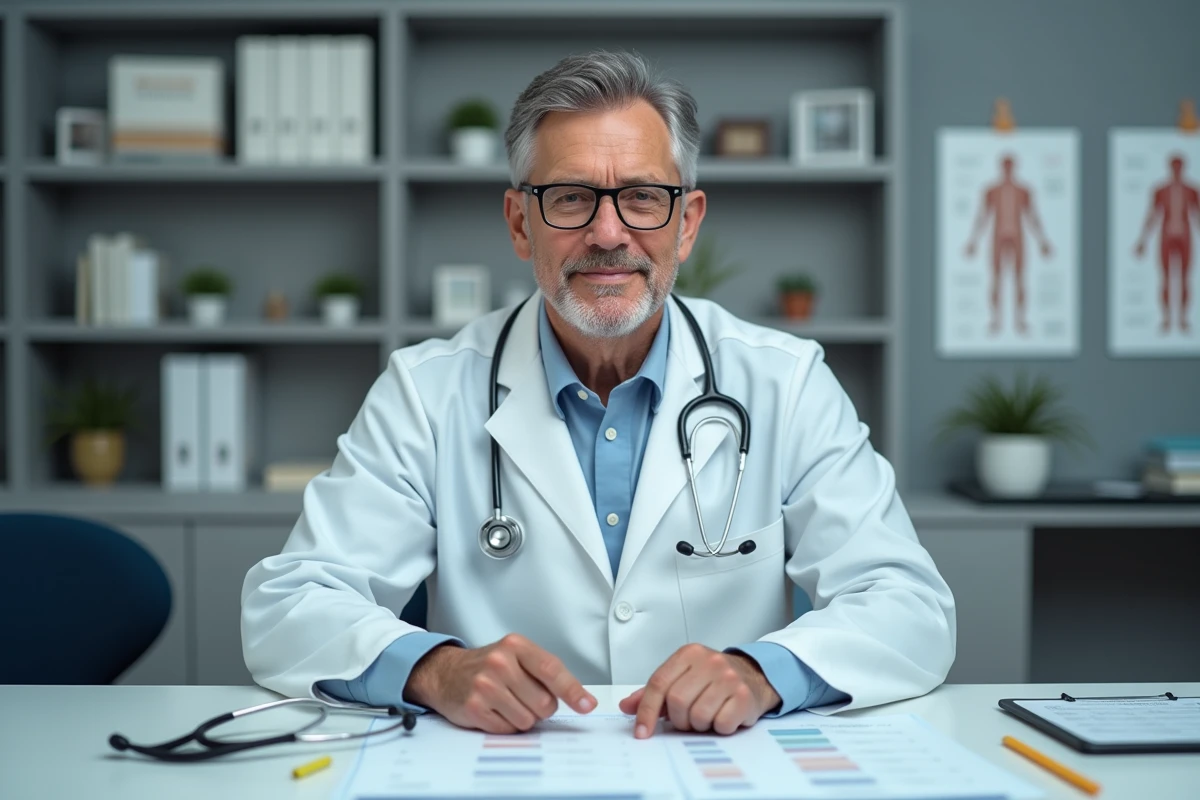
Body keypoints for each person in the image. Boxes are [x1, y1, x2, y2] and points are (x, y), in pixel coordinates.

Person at [241, 50, 955, 739]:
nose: (608, 233)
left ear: (688, 221)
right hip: (503, 770)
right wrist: (435, 668)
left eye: (643, 197)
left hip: (719, 770)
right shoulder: (425, 392)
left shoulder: (786, 383)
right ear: (522, 223)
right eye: (571, 198)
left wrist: (766, 673)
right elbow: (289, 605)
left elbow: (910, 607)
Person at [963, 153, 1054, 335]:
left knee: (1019, 278)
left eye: (1010, 166)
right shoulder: (992, 190)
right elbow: (983, 216)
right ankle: (995, 320)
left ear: (1014, 167)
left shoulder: (1023, 190)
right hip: (998, 236)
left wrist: (1042, 240)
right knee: (996, 278)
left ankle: (1020, 320)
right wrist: (973, 241)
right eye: (1005, 166)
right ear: (1001, 167)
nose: (1007, 169)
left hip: (1017, 236)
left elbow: (1032, 216)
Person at [1134, 153, 1199, 333]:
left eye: (1179, 167)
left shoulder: (1191, 190)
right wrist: (1143, 240)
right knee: (1165, 279)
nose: (1177, 170)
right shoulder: (1161, 190)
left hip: (1184, 237)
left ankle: (1183, 318)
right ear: (1170, 168)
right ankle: (1166, 319)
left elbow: (1197, 216)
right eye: (1174, 167)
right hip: (1167, 237)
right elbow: (1152, 215)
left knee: (1185, 278)